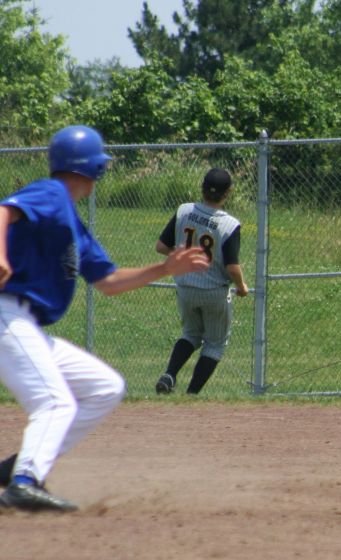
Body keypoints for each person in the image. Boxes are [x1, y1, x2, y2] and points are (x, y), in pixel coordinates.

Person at [0, 125, 209, 512]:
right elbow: (3, 210)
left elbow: (109, 281)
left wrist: (164, 269)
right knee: (55, 402)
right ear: (92, 168)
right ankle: (23, 484)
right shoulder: (51, 193)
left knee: (105, 387)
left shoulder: (73, 223)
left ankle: (18, 468)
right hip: (6, 316)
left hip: (24, 325)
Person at [154, 168, 248, 396]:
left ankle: (170, 374)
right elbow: (232, 266)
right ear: (229, 193)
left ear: (202, 188)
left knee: (190, 334)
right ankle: (192, 394)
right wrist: (241, 287)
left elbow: (161, 246)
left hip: (185, 286)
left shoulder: (184, 211)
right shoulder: (229, 224)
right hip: (213, 289)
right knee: (215, 344)